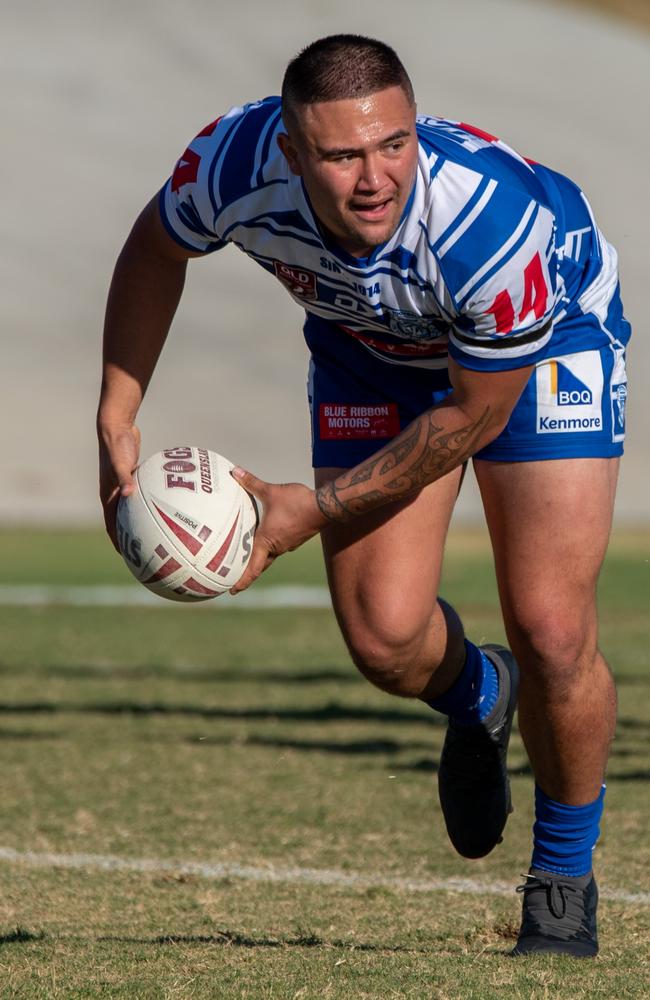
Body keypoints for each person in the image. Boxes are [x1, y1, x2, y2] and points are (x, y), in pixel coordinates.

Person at [98, 35, 630, 957]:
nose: (375, 176)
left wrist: (318, 510)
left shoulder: (485, 219)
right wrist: (115, 423)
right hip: (369, 351)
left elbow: (472, 416)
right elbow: (154, 249)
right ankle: (479, 692)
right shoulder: (228, 165)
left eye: (394, 144)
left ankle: (562, 878)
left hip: (540, 350)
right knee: (385, 639)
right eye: (343, 155)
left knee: (551, 626)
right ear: (293, 152)